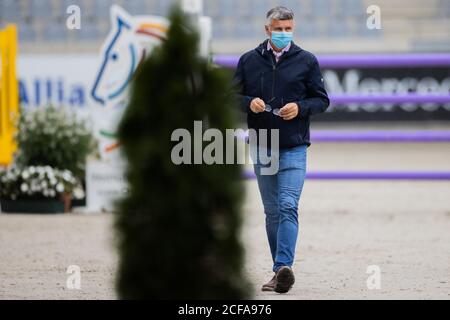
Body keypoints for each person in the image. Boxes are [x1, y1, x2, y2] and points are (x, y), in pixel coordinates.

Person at [233, 6, 330, 293]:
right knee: (272, 211)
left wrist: (300, 107)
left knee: (288, 205)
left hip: (294, 145)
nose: (284, 34)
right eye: (279, 29)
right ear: (267, 29)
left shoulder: (307, 61)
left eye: (288, 29)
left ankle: (282, 267)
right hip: (263, 145)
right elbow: (229, 95)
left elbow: (322, 100)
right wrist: (249, 101)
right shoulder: (248, 61)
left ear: (293, 29)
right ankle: (280, 270)